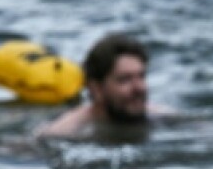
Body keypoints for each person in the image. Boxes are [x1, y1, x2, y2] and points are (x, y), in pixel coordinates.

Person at [34, 33, 162, 142]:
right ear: (96, 89)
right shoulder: (64, 132)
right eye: (124, 79)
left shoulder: (161, 117)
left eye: (141, 76)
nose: (139, 88)